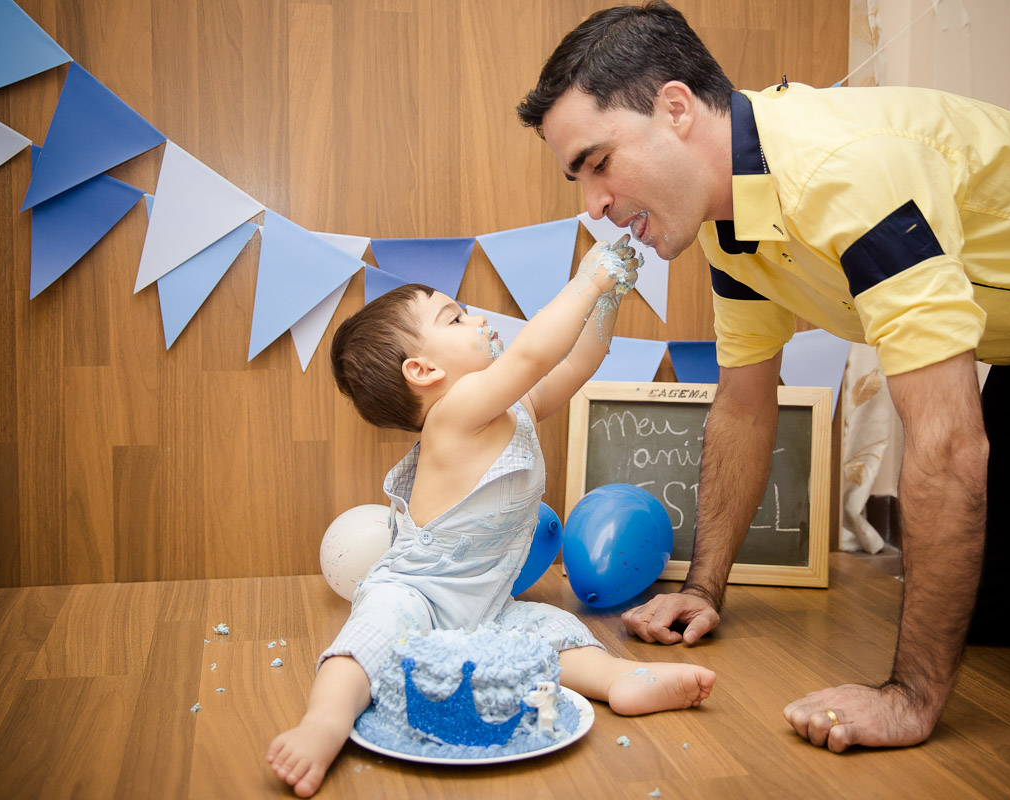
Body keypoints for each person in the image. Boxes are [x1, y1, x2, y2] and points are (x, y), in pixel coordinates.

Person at [516, 0, 1010, 755]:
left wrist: (910, 698)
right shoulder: (733, 226)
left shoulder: (844, 173)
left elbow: (949, 442)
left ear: (675, 108)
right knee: (984, 622)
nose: (593, 204)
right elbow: (744, 406)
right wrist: (701, 588)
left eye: (597, 163)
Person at [266, 236, 717, 797]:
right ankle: (323, 723)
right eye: (455, 319)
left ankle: (624, 680)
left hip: (487, 603)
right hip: (418, 593)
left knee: (555, 633)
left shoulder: (513, 407)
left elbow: (580, 361)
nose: (477, 318)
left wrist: (609, 299)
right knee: (368, 641)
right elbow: (533, 354)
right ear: (424, 370)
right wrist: (589, 280)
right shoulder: (454, 416)